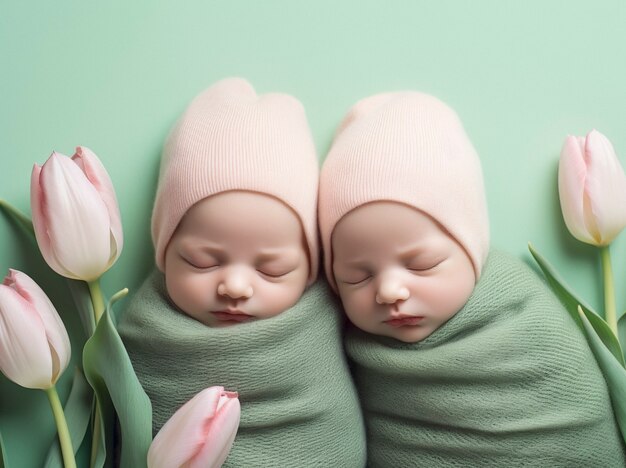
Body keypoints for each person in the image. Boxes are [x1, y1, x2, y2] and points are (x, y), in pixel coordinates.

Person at [318, 91, 626, 467]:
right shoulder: (342, 350)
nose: (389, 291)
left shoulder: (524, 318)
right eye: (357, 276)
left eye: (422, 264)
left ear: (470, 248)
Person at [118, 78, 365, 467]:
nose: (234, 286)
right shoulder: (141, 335)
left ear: (310, 267)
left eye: (272, 269)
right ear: (164, 251)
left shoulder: (327, 321)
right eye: (202, 261)